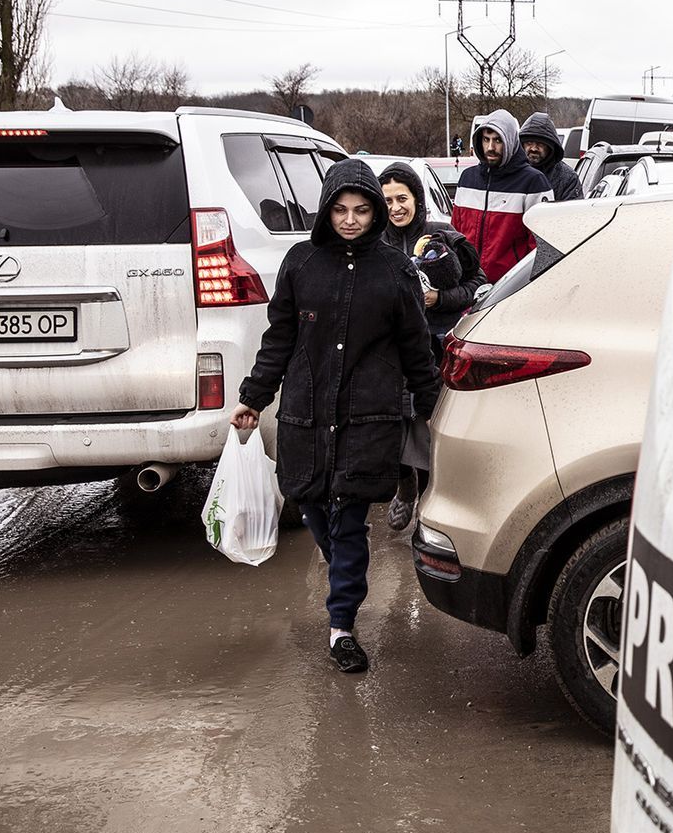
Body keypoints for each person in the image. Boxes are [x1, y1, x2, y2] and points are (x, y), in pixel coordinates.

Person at [229, 160, 440, 674]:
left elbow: (416, 347)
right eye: (341, 210)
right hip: (307, 408)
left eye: (362, 211)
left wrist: (433, 407)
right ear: (326, 210)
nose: (351, 220)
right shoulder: (301, 263)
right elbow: (279, 337)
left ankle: (341, 626)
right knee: (309, 500)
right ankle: (342, 567)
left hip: (368, 415)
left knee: (347, 520)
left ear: (374, 214)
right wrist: (254, 397)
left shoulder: (394, 270)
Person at [377, 162, 481, 530]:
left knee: (428, 425)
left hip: (435, 348)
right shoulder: (376, 242)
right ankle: (404, 488)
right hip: (391, 352)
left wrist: (440, 298)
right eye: (387, 200)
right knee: (396, 424)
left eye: (401, 198)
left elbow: (477, 284)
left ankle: (428, 497)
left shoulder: (444, 235)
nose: (395, 207)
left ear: (417, 199)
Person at [449, 109, 551, 282]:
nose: (490, 147)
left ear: (510, 140)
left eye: (498, 140)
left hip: (509, 288)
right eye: (486, 139)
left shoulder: (534, 182)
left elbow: (541, 247)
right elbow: (454, 234)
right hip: (467, 286)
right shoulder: (467, 178)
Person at [519, 112, 584, 202]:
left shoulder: (567, 179)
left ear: (550, 147)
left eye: (540, 144)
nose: (534, 149)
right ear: (522, 145)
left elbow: (573, 213)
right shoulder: (511, 172)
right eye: (529, 143)